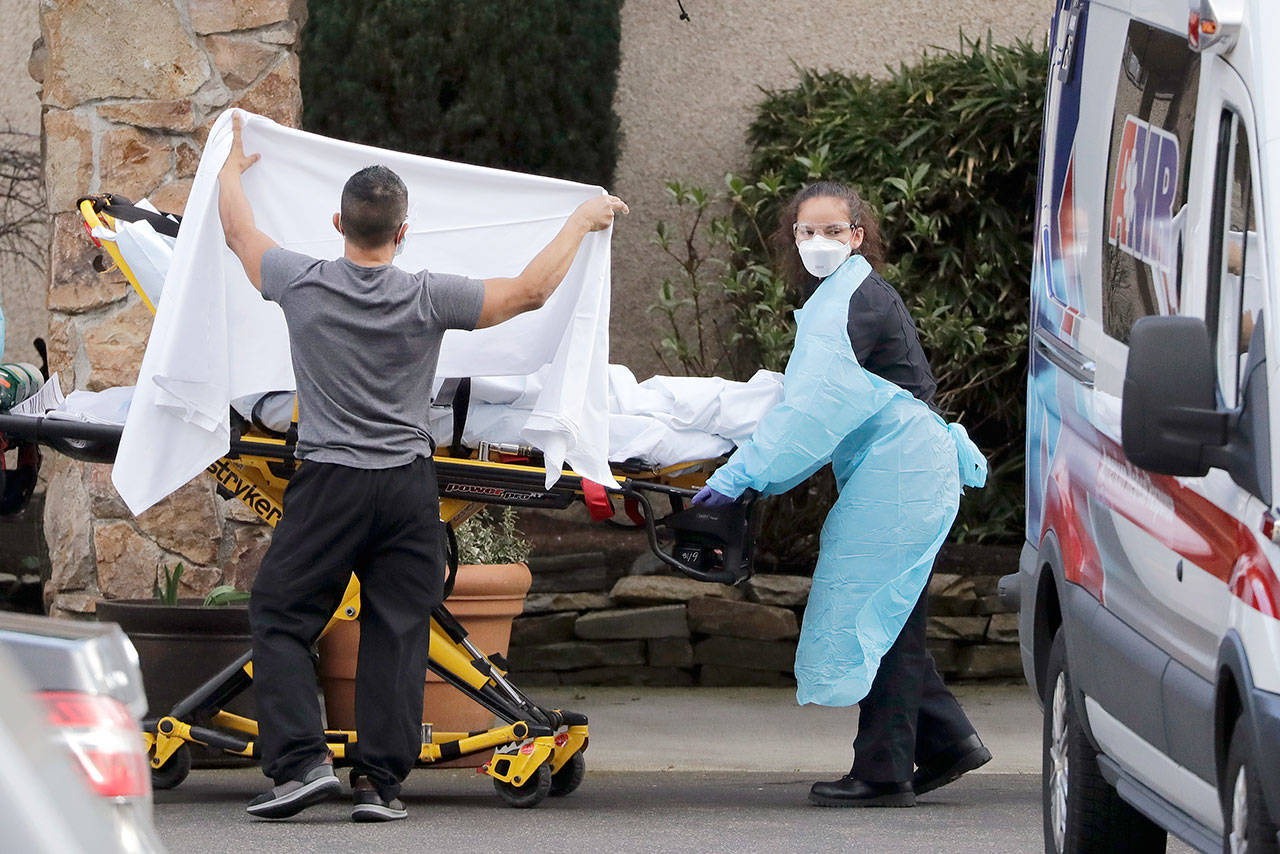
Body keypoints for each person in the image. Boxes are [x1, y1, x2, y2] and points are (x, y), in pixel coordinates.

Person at [216, 114, 627, 822]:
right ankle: (379, 786)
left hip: (330, 485)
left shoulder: (300, 281)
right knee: (398, 628)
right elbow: (530, 291)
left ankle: (301, 766)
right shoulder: (430, 294)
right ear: (402, 233)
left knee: (281, 616)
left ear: (337, 222)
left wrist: (229, 167)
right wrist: (583, 220)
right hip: (408, 487)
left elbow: (237, 232)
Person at [694, 181, 989, 807]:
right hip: (904, 466)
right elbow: (817, 396)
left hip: (902, 470)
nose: (817, 242)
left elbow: (812, 410)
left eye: (833, 230)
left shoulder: (852, 300)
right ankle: (946, 741)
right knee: (891, 611)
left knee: (877, 611)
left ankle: (885, 772)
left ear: (858, 236)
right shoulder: (845, 295)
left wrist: (739, 476)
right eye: (806, 232)